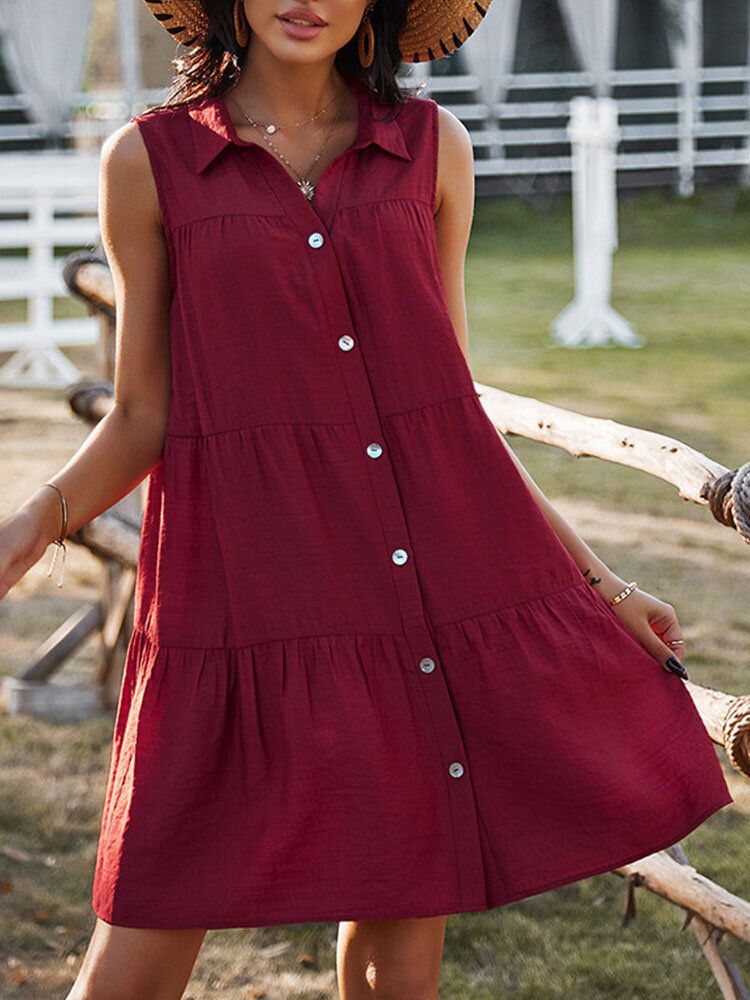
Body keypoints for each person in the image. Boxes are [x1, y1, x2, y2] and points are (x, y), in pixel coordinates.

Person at [0, 1, 733, 998]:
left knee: (397, 951)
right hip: (235, 596)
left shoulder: (434, 149)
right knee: (145, 931)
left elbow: (448, 408)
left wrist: (603, 590)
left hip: (406, 597)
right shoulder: (149, 161)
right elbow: (140, 415)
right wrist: (37, 515)